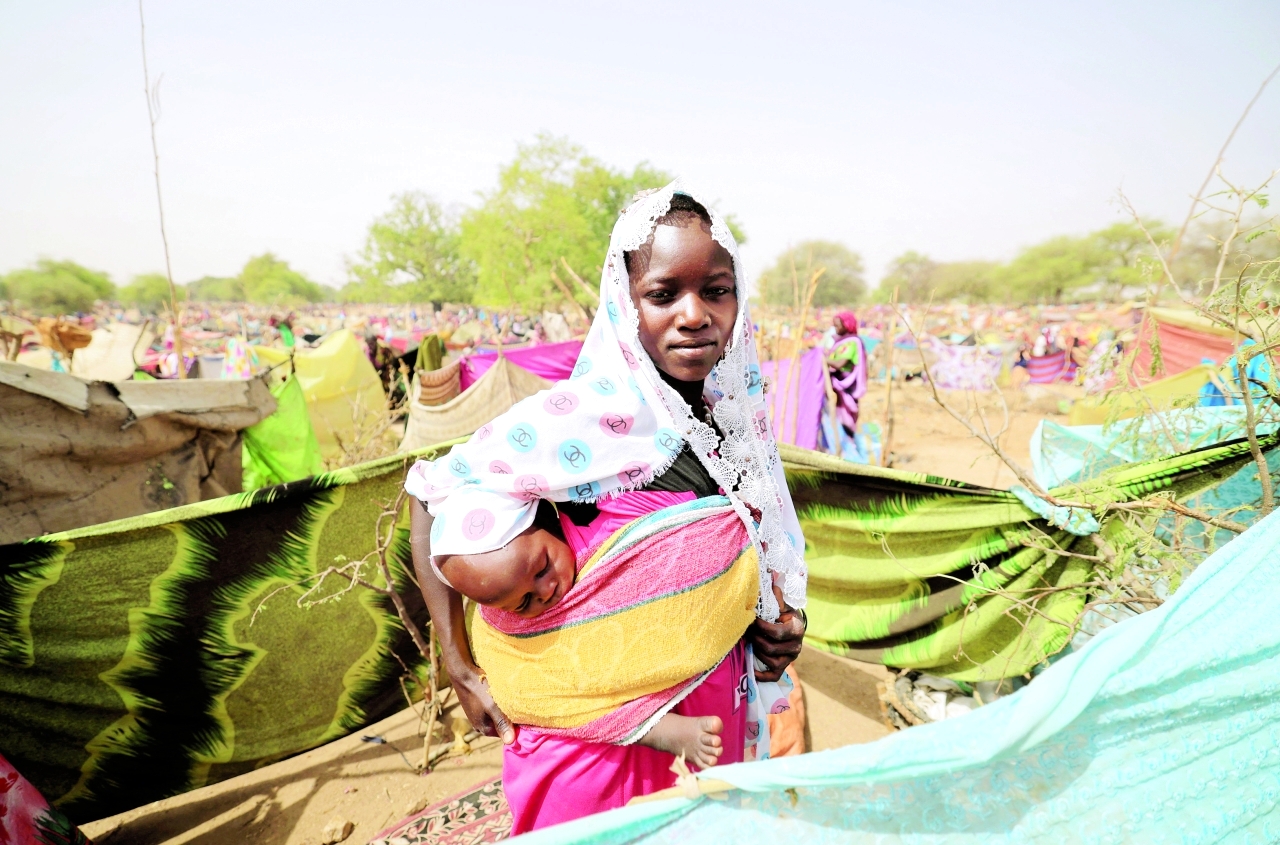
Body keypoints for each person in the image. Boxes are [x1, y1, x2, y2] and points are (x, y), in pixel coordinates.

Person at [406, 184, 807, 833]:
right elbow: (427, 492)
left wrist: (779, 623)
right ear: (626, 301)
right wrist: (456, 662)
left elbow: (757, 553)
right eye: (663, 294)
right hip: (593, 754)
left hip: (709, 717)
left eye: (716, 290)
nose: (695, 314)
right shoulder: (583, 418)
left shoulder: (739, 427)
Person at [827, 310, 868, 436]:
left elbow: (840, 363)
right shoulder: (840, 342)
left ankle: (848, 438)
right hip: (838, 383)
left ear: (846, 325)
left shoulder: (852, 342)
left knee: (847, 416)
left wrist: (823, 359)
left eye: (837, 326)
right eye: (834, 325)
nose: (835, 329)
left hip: (847, 384)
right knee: (838, 411)